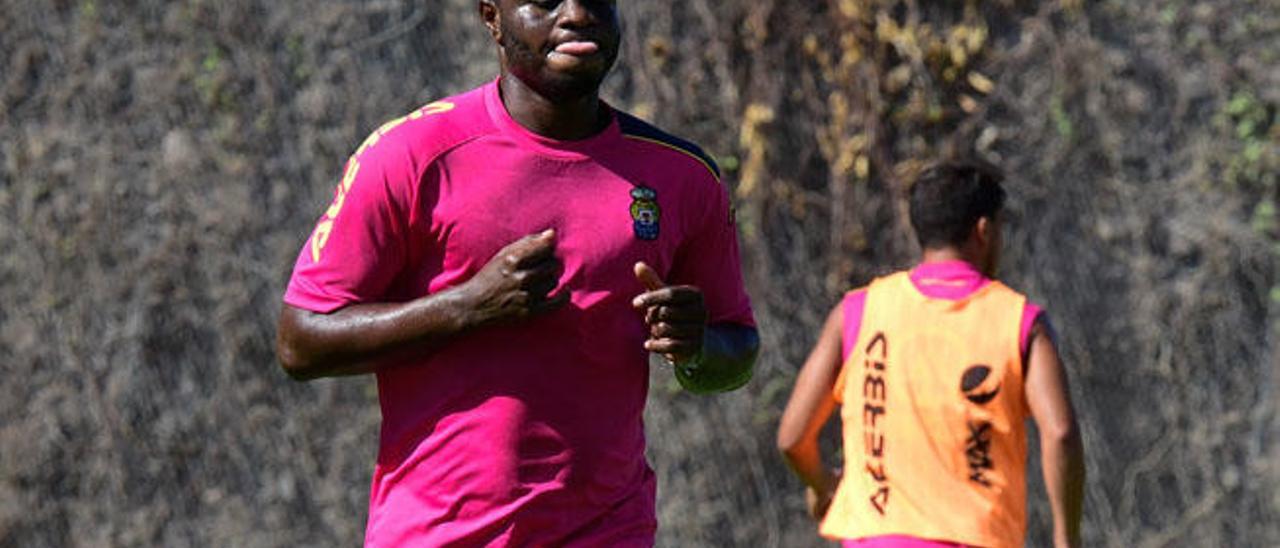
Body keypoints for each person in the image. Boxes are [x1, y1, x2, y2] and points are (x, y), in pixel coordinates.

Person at [274, 1, 759, 545]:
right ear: (491, 16)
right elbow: (301, 342)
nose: (577, 13)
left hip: (610, 531)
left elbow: (736, 353)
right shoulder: (411, 155)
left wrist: (695, 349)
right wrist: (467, 306)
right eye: (546, 0)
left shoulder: (681, 176)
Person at [776, 161, 1085, 548]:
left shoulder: (860, 312)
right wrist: (1066, 537)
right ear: (984, 231)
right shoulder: (1018, 322)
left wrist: (823, 485)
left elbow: (792, 437)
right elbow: (1060, 431)